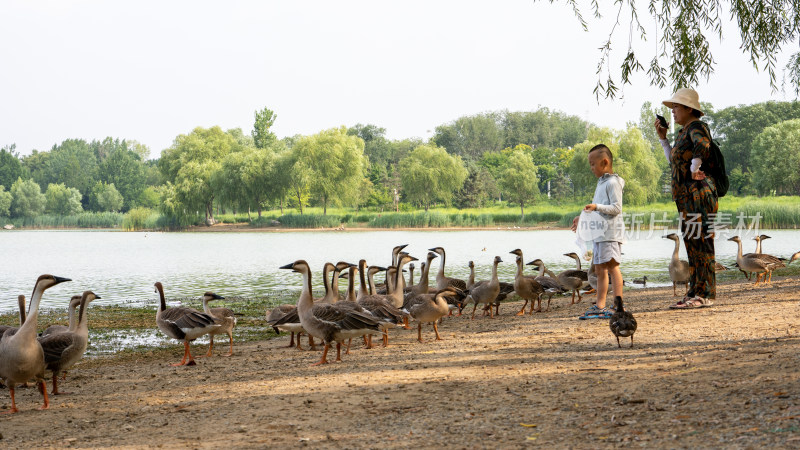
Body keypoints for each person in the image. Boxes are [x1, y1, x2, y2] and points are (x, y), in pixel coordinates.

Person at [655, 88, 717, 308]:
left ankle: (705, 294)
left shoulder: (697, 127)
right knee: (692, 243)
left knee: (702, 242)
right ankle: (694, 291)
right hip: (687, 197)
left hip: (699, 194)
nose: (672, 111)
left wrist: (694, 168)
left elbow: (703, 145)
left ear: (690, 108)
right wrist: (663, 139)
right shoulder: (683, 132)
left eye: (676, 106)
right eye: (672, 108)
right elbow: (674, 162)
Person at [570, 144, 625, 320]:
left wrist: (596, 206)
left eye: (593, 164)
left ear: (605, 162)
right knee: (600, 269)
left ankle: (618, 304)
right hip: (600, 234)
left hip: (610, 234)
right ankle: (600, 305)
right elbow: (597, 210)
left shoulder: (612, 182)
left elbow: (616, 208)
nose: (591, 168)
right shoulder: (601, 183)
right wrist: (583, 219)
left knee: (613, 267)